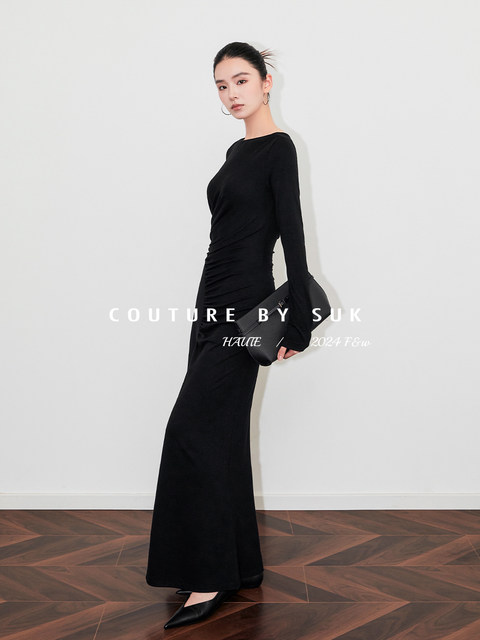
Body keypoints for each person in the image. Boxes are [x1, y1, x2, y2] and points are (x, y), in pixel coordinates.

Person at [145, 41, 313, 629]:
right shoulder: (235, 151)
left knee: (190, 430)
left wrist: (298, 319)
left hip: (245, 309)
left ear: (267, 82)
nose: (231, 93)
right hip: (209, 303)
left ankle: (209, 575)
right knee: (220, 434)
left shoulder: (279, 148)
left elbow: (293, 234)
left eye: (241, 80)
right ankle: (238, 564)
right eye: (221, 85)